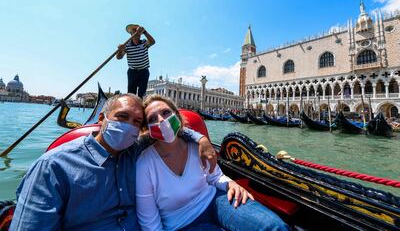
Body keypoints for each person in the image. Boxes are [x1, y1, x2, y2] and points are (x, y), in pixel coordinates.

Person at [10, 93, 217, 231]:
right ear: (101, 118)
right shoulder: (53, 166)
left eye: (137, 122)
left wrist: (201, 138)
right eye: (122, 117)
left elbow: (170, 130)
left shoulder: (136, 149)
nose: (129, 126)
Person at [136, 95, 289, 231]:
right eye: (152, 119)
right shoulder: (145, 164)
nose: (161, 120)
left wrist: (231, 184)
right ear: (147, 129)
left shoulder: (197, 145)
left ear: (176, 115)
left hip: (215, 201)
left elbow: (215, 177)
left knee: (274, 226)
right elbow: (149, 222)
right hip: (181, 224)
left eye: (165, 112)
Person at [116, 24, 156, 99]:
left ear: (140, 35)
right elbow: (119, 57)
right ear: (131, 35)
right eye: (133, 33)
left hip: (144, 72)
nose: (136, 35)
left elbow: (153, 42)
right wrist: (120, 50)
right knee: (131, 95)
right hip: (132, 72)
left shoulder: (144, 43)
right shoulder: (127, 45)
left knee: (142, 95)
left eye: (137, 33)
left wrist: (144, 31)